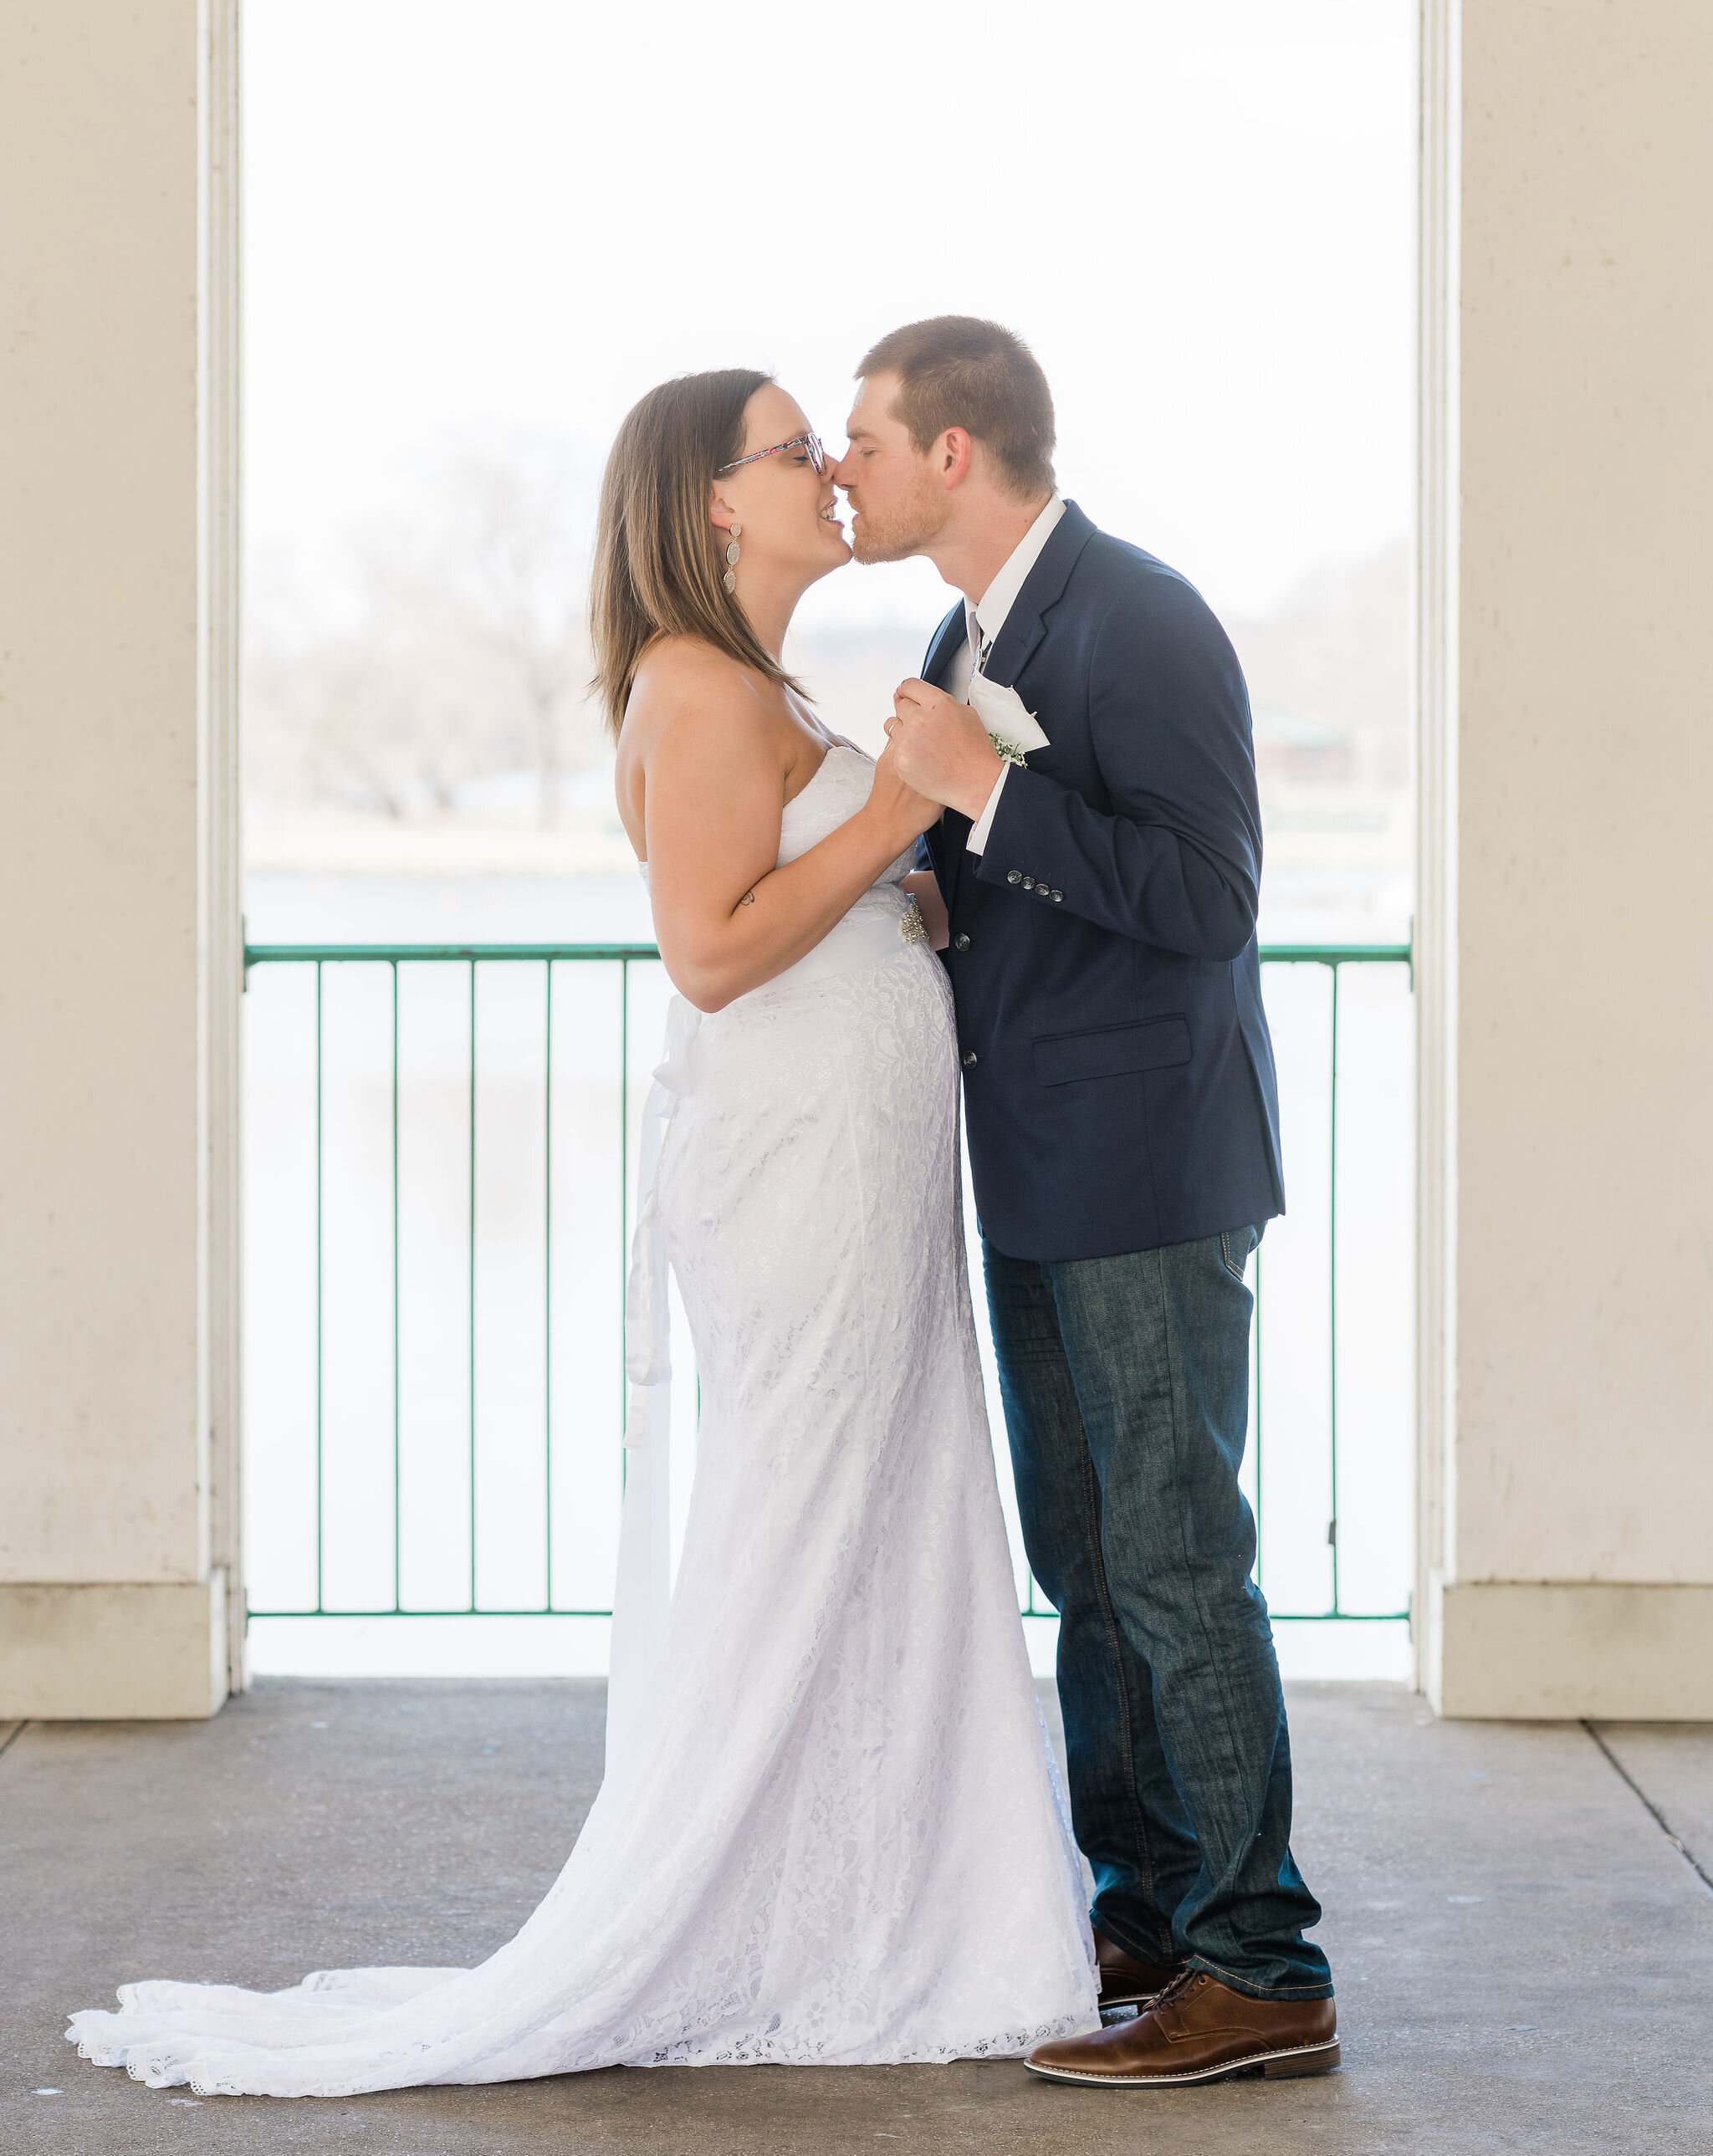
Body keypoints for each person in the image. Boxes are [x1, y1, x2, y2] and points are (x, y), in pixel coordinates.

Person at [66, 368, 1097, 2098]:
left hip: (845, 1178)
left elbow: (799, 896)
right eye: (794, 452)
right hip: (796, 1193)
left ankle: (890, 1916)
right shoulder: (697, 688)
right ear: (711, 501)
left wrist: (896, 892)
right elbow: (708, 947)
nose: (828, 476)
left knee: (883, 1526)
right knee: (804, 1527)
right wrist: (900, 819)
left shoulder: (751, 681)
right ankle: (755, 1915)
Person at [837, 314, 1340, 2089]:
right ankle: (1143, 1919)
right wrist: (941, 887)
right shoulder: (956, 630)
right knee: (1091, 1562)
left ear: (952, 455)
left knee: (1178, 1557)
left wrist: (985, 787)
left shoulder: (1142, 617)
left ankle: (1260, 1963)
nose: (847, 470)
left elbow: (1206, 897)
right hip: (1036, 1164)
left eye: (866, 442)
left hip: (1146, 1169)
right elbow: (1039, 883)